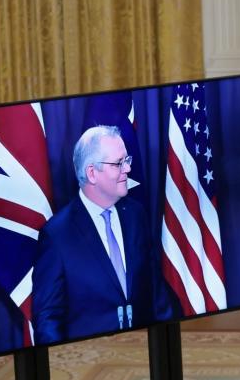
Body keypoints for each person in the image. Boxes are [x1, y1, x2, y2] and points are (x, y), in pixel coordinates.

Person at [32, 125, 175, 344]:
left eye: (127, 160)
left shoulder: (136, 215)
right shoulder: (57, 236)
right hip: (93, 361)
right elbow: (48, 319)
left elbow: (156, 293)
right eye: (119, 163)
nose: (127, 169)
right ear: (92, 173)